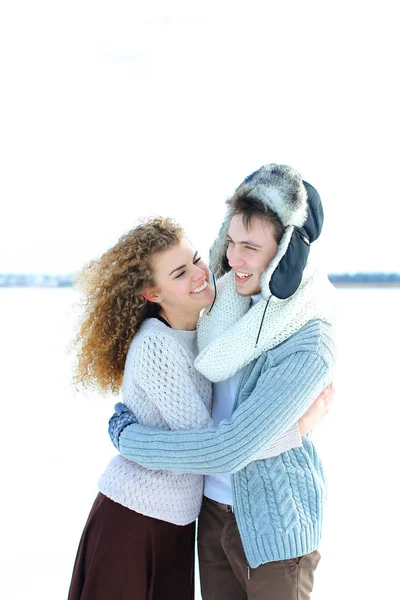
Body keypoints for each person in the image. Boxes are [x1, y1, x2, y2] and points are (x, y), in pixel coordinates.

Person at [68, 215, 330, 600]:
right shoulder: (157, 345)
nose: (198, 274)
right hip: (133, 520)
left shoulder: (203, 333)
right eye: (179, 273)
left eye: (195, 259)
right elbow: (214, 449)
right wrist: (298, 427)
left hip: (176, 522)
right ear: (152, 293)